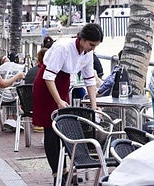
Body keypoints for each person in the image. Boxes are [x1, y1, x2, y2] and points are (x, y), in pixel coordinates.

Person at [32, 23, 103, 185]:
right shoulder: (63, 47)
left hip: (62, 85)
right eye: (91, 44)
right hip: (46, 87)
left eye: (95, 46)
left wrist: (94, 106)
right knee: (51, 130)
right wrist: (58, 102)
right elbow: (48, 77)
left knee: (65, 129)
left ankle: (66, 170)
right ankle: (58, 172)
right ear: (82, 39)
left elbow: (89, 80)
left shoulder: (87, 53)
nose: (93, 48)